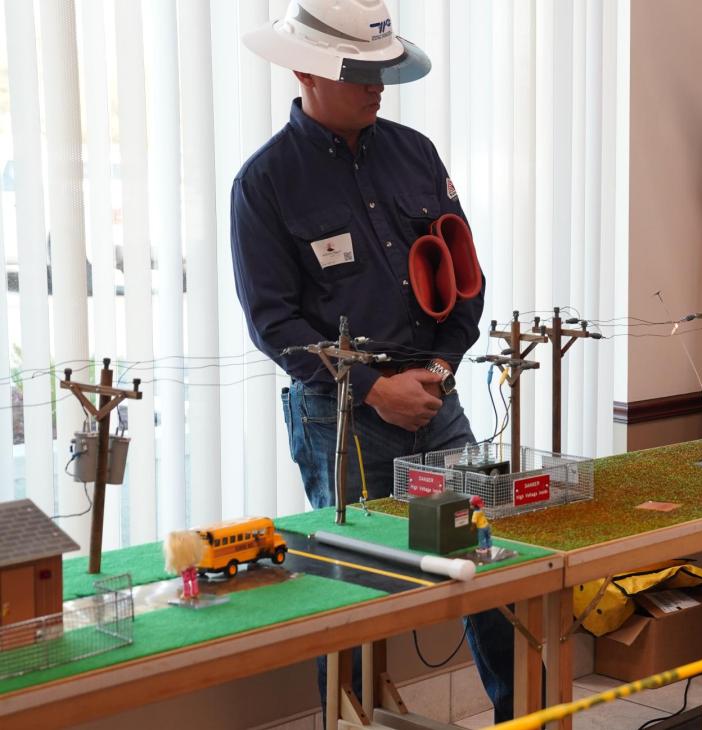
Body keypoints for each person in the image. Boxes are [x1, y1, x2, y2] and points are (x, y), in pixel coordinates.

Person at [231, 1, 517, 722]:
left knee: (483, 569)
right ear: (305, 72)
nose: (376, 87)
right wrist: (374, 389)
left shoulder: (415, 153)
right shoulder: (265, 182)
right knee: (351, 591)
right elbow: (273, 324)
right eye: (357, 74)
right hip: (340, 421)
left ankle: (523, 715)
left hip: (437, 401)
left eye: (380, 72)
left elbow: (465, 280)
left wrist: (440, 370)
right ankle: (349, 719)